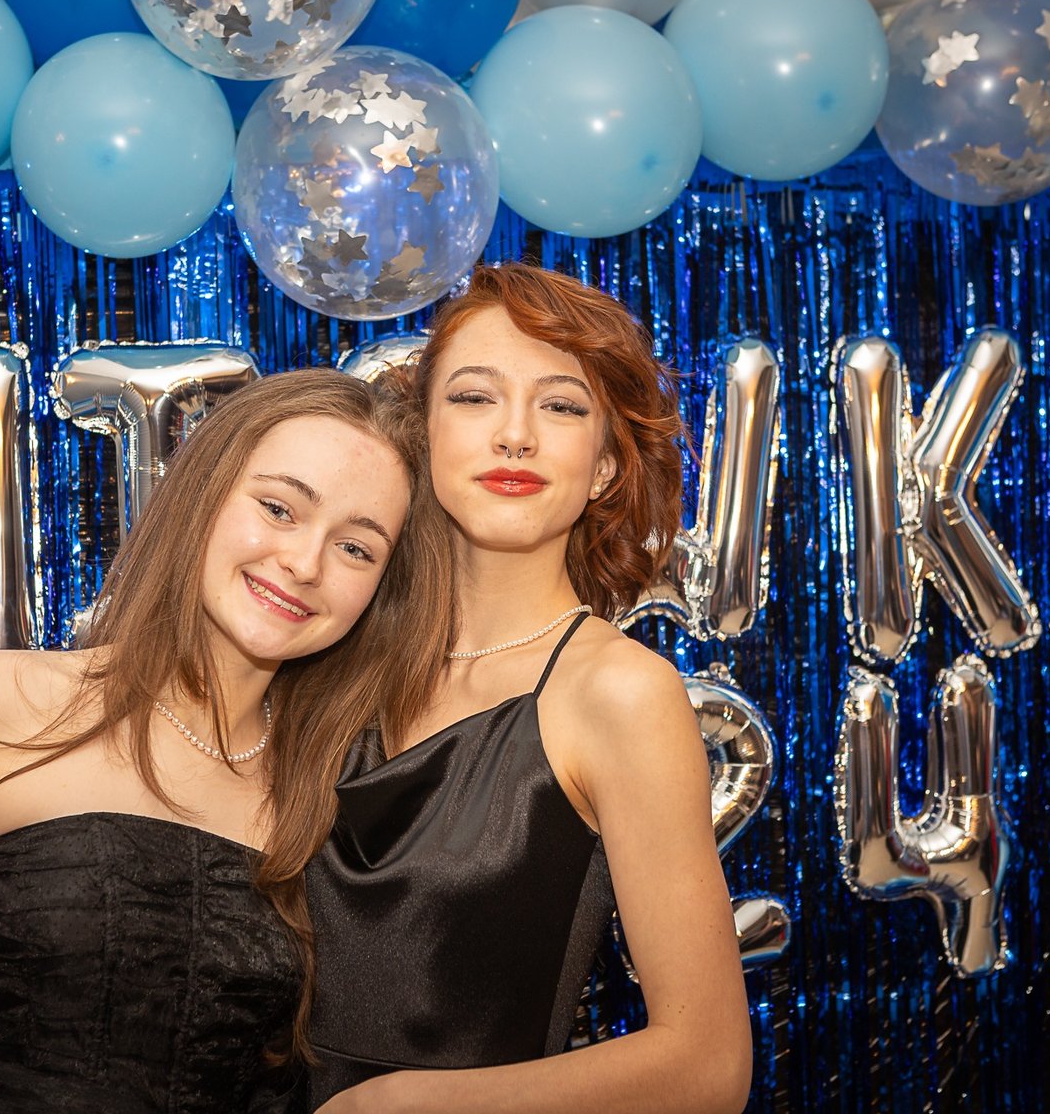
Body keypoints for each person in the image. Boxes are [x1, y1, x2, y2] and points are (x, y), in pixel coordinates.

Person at [0, 369, 454, 1113]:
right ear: (204, 495)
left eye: (356, 549)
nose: (305, 564)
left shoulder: (344, 800)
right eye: (279, 509)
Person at [304, 263, 753, 1113]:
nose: (515, 435)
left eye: (561, 407)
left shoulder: (620, 693)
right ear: (423, 433)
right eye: (475, 397)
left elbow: (709, 1066)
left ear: (605, 466)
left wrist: (396, 1106)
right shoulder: (329, 652)